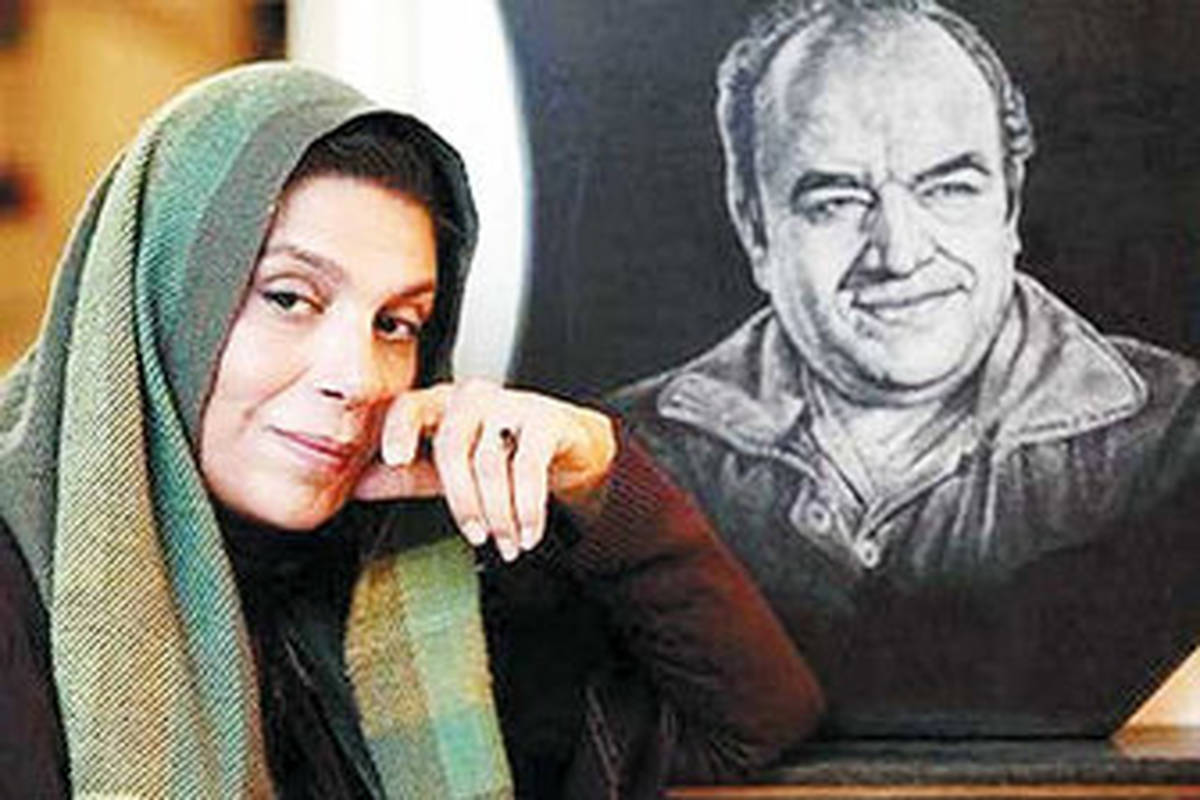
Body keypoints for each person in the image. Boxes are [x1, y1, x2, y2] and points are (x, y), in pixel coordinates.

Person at [0, 63, 822, 798]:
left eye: (397, 324)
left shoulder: (408, 589)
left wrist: (598, 477)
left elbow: (749, 724)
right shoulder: (19, 587)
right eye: (289, 297)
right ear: (157, 296)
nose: (358, 378)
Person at [612, 0, 1200, 737]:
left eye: (948, 188)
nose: (899, 252)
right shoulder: (624, 458)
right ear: (754, 226)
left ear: (1010, 205)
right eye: (836, 200)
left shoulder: (1176, 438)